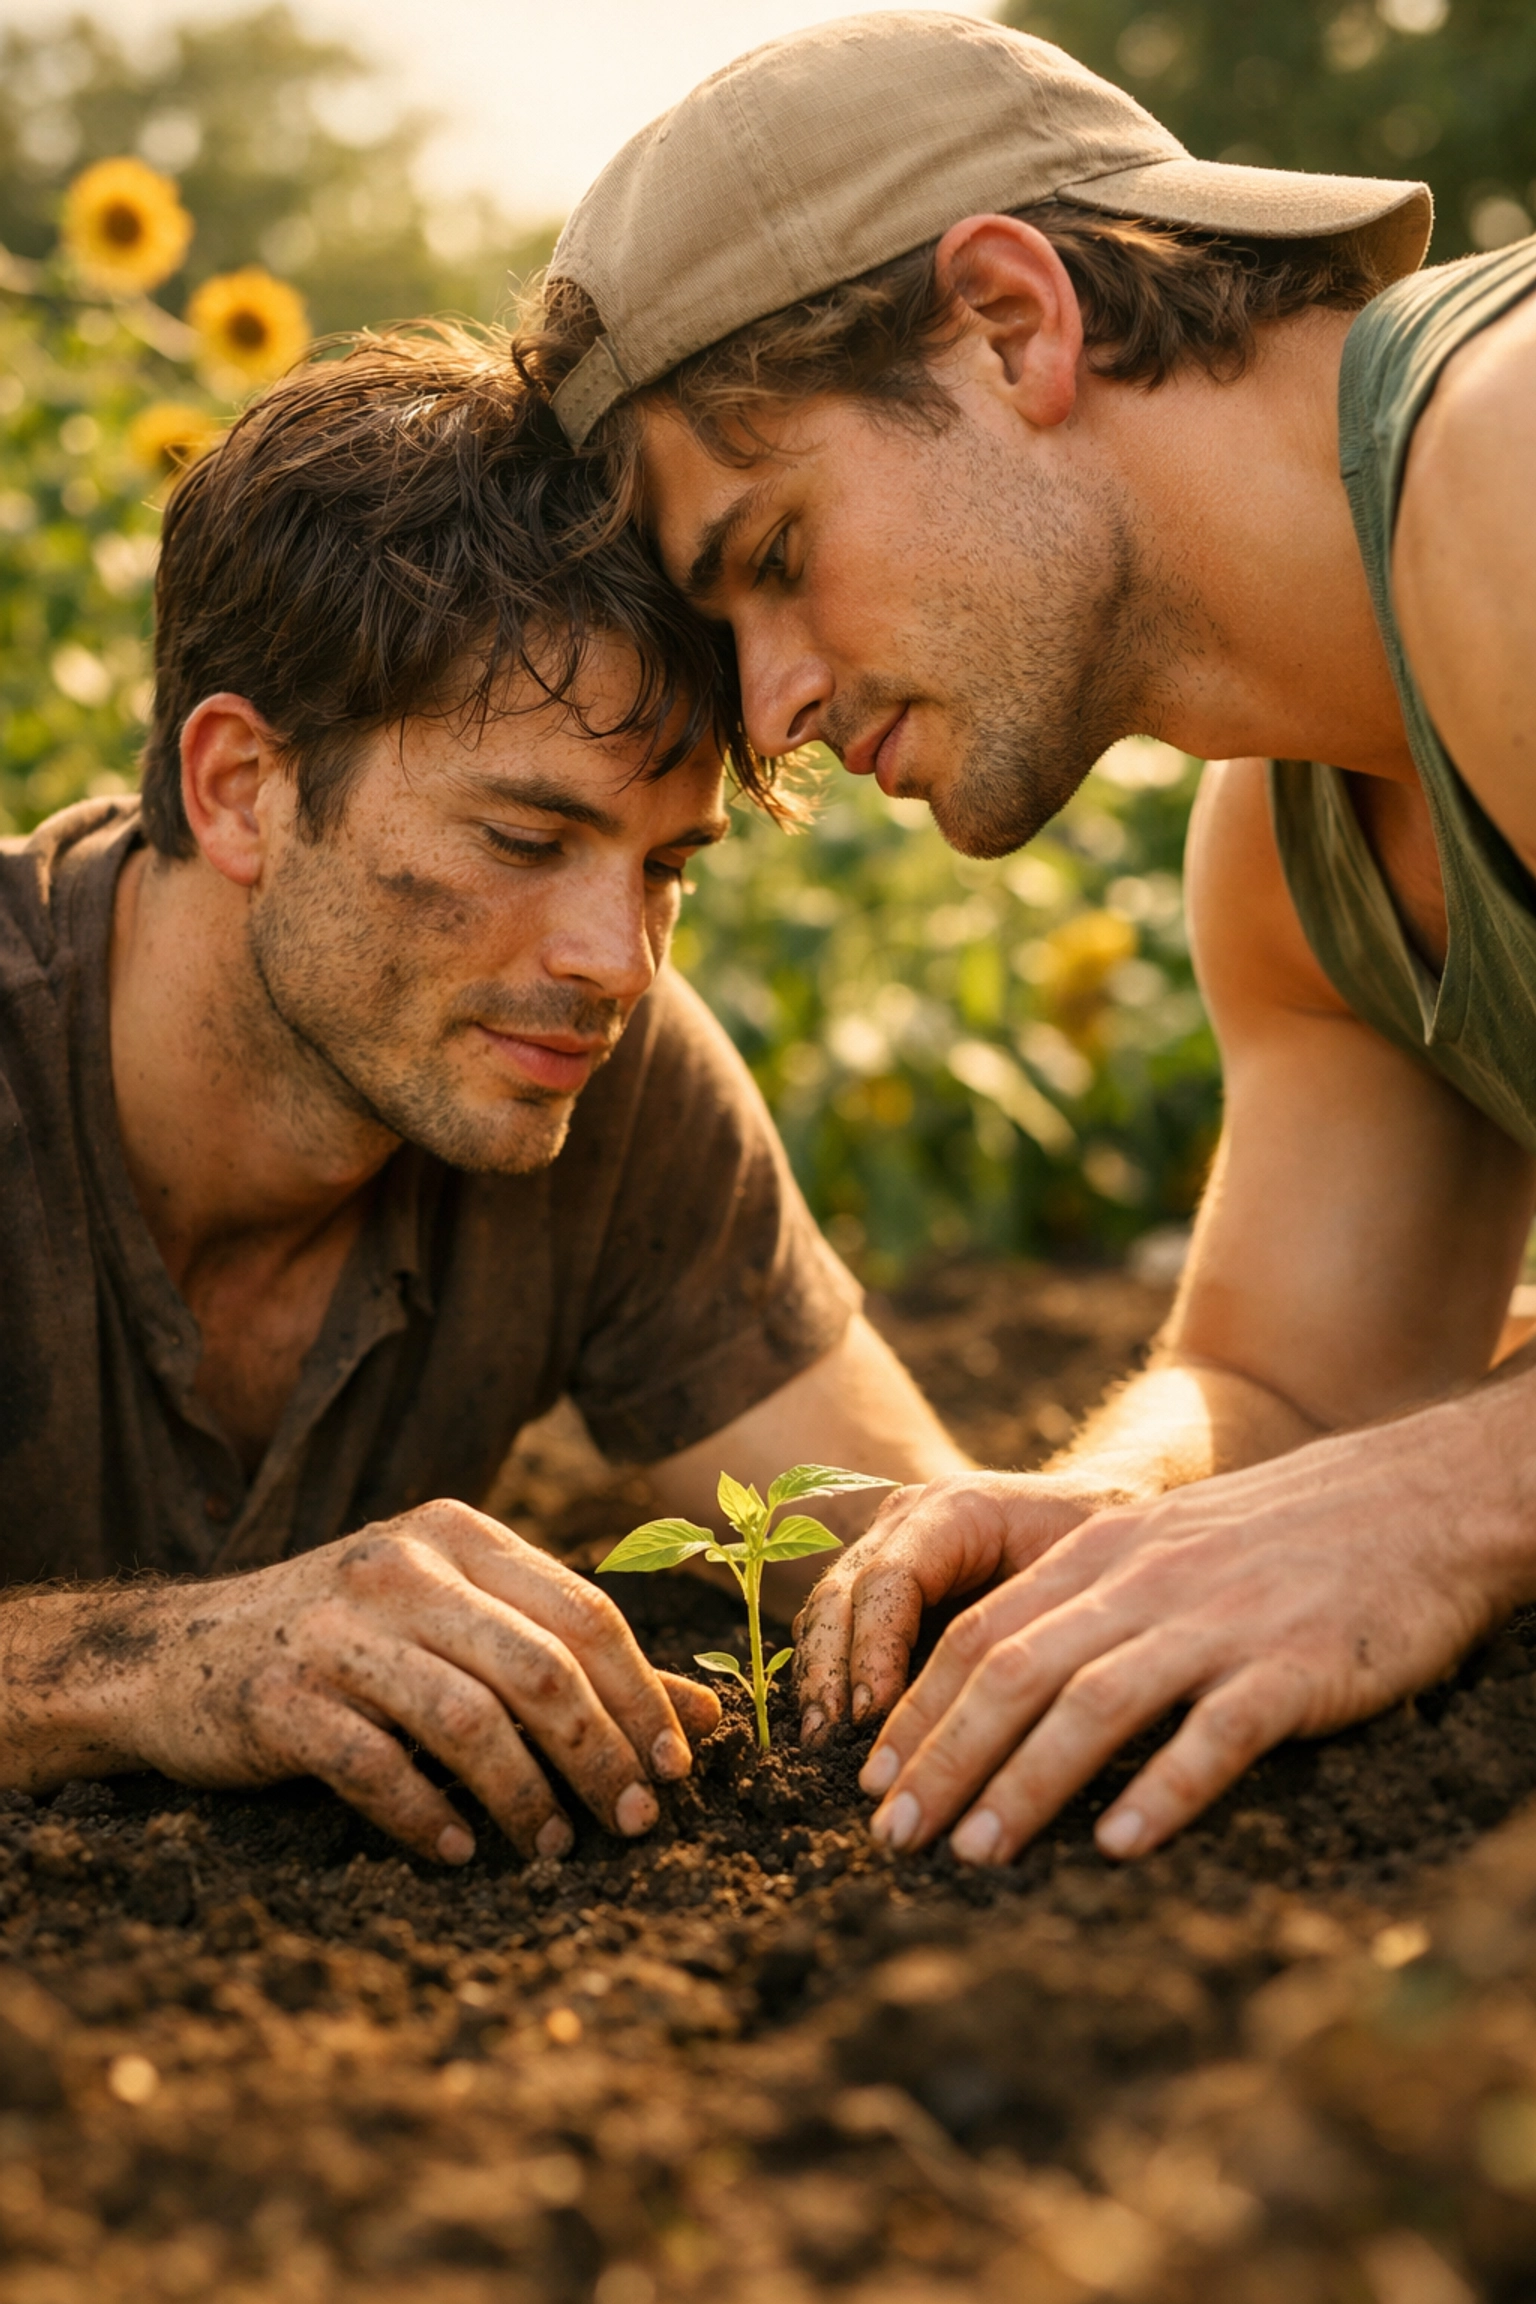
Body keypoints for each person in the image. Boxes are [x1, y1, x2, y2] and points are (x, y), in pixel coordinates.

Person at [523, 11, 1536, 1869]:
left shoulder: (1517, 455)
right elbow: (1298, 1387)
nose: (779, 709)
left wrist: (1458, 1494)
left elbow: (1390, 1471)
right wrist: (1094, 1521)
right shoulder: (1289, 844)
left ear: (1011, 321)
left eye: (775, 555)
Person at [0, 324, 963, 1867]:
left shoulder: (612, 1078)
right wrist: (169, 1663)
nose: (617, 961)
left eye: (665, 869)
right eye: (524, 840)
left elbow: (906, 1547)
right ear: (241, 784)